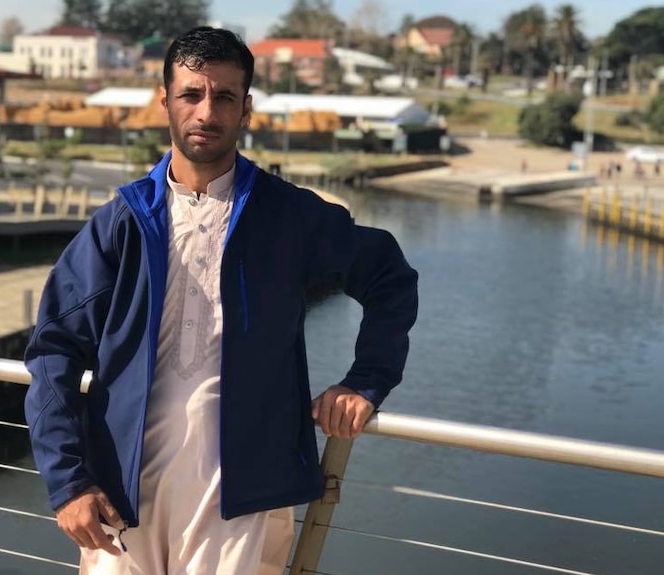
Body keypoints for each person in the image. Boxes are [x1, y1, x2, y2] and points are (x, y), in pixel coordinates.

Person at [24, 26, 418, 575]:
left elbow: (390, 276)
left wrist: (366, 381)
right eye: (191, 94)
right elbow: (53, 350)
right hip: (121, 497)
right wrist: (69, 484)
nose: (206, 111)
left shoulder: (288, 217)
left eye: (224, 96)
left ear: (246, 107)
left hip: (244, 502)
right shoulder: (122, 221)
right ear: (165, 101)